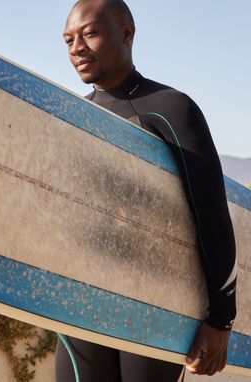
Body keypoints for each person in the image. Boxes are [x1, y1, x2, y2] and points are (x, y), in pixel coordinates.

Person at [56, 0, 237, 381]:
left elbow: (211, 217)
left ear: (126, 33)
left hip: (155, 307)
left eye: (89, 34)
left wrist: (221, 318)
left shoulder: (170, 109)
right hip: (82, 304)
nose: (76, 48)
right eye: (69, 40)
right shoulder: (72, 116)